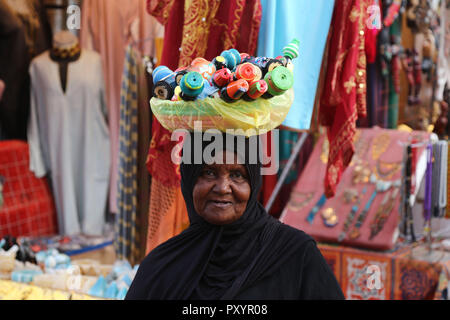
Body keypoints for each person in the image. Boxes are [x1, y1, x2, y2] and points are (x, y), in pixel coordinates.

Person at [126, 132, 344, 300]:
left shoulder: (296, 255)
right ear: (189, 179)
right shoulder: (163, 266)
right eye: (209, 172)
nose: (222, 188)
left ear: (254, 183)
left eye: (237, 175)